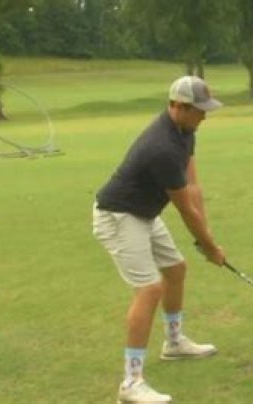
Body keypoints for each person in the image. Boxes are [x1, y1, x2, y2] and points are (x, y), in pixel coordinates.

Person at [92, 76, 227, 403]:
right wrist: (210, 248)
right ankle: (131, 383)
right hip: (119, 216)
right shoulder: (161, 147)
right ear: (178, 106)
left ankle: (174, 343)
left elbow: (193, 187)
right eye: (200, 110)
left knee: (175, 269)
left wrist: (207, 238)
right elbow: (184, 208)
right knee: (150, 289)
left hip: (144, 214)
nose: (205, 116)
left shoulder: (185, 131)